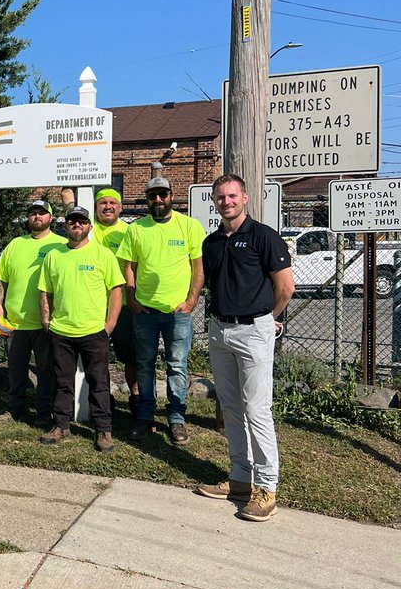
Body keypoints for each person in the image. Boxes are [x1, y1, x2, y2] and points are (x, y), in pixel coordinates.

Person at [196, 174, 295, 522]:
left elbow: (285, 287)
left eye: (232, 195)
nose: (227, 201)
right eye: (221, 196)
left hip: (254, 331)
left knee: (257, 409)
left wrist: (269, 319)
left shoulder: (264, 237)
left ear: (245, 198)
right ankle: (240, 479)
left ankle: (267, 487)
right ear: (215, 200)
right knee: (231, 407)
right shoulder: (212, 243)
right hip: (220, 331)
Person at [117, 171, 206, 445]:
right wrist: (131, 299)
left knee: (176, 365)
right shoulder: (136, 228)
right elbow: (128, 266)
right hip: (145, 312)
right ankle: (145, 417)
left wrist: (191, 301)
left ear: (171, 196)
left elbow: (198, 269)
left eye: (162, 194)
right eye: (152, 195)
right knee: (144, 364)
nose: (157, 199)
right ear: (146, 200)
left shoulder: (189, 226)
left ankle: (176, 418)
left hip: (177, 314)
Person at [38, 206, 125, 453]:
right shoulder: (54, 256)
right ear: (65, 226)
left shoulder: (103, 255)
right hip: (61, 331)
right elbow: (45, 291)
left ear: (90, 226)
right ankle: (61, 425)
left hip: (94, 331)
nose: (77, 225)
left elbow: (116, 290)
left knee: (99, 382)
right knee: (62, 382)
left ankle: (103, 430)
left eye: (82, 221)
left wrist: (110, 325)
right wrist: (47, 321)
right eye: (72, 221)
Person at [0, 200, 66, 426]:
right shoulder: (15, 244)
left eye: (42, 214)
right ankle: (15, 409)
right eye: (33, 213)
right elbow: (1, 277)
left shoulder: (61, 245)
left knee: (46, 371)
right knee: (16, 370)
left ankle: (44, 413)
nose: (37, 217)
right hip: (15, 322)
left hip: (46, 322)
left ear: (51, 218)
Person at [92, 187, 139, 415]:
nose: (108, 206)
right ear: (95, 207)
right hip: (93, 305)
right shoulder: (88, 230)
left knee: (131, 357)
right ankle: (104, 399)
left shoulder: (130, 231)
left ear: (120, 207)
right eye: (103, 202)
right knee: (98, 357)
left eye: (113, 202)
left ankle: (136, 398)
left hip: (125, 305)